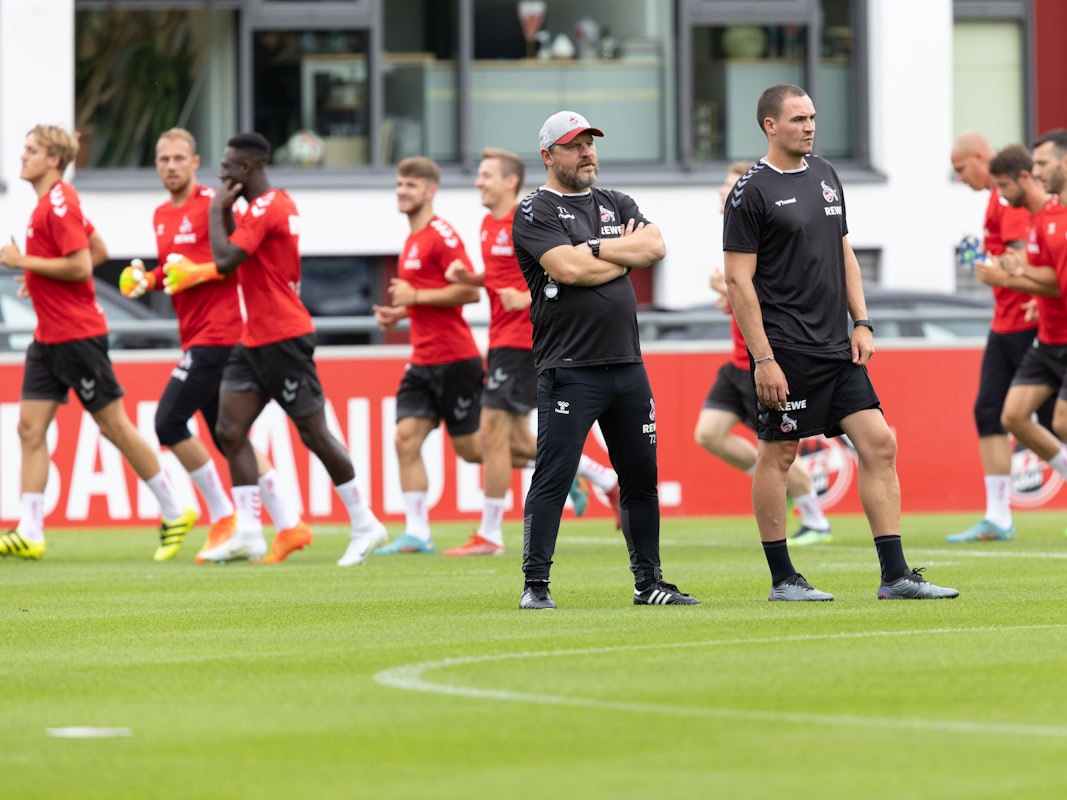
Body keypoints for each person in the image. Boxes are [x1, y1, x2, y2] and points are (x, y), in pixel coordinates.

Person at [722, 84, 958, 601]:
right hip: (785, 350)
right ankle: (783, 578)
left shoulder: (827, 174)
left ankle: (895, 577)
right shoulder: (750, 192)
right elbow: (738, 282)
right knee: (779, 454)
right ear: (770, 125)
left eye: (812, 117)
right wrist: (763, 358)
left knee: (880, 443)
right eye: (798, 119)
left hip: (837, 347)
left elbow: (844, 250)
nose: (809, 126)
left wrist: (863, 320)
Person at [511, 110, 700, 609]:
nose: (588, 152)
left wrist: (594, 247)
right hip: (569, 367)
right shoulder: (535, 209)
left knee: (641, 478)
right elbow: (568, 269)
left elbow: (655, 246)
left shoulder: (616, 201)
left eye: (591, 143)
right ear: (548, 155)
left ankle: (650, 583)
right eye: (575, 145)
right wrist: (619, 256)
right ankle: (536, 585)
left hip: (627, 365)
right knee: (554, 474)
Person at [174, 131, 385, 566]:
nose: (221, 173)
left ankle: (365, 524)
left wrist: (217, 209)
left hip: (284, 339)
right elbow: (241, 255)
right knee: (229, 430)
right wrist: (229, 212)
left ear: (246, 169)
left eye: (227, 166)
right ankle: (250, 533)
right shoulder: (263, 208)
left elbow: (225, 261)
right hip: (253, 341)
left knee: (315, 434)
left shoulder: (272, 206)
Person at [0, 124, 195, 561]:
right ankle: (30, 531)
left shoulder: (59, 203)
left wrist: (24, 263)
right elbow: (100, 249)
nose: (22, 156)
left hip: (78, 337)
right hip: (48, 338)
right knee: (29, 428)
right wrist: (38, 278)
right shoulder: (49, 206)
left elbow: (83, 266)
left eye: (31, 150)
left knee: (114, 427)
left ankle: (173, 507)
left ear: (53, 160)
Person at [118, 127, 308, 563]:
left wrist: (199, 272)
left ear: (195, 161)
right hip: (195, 331)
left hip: (222, 333)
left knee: (168, 422)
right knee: (229, 437)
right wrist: (145, 280)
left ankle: (224, 515)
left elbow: (239, 258)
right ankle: (289, 523)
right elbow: (172, 269)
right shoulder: (161, 215)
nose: (171, 166)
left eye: (179, 158)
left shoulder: (214, 203)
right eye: (163, 159)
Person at [443, 147, 620, 556]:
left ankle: (489, 534)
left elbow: (561, 266)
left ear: (509, 181)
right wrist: (470, 277)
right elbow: (507, 270)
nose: (477, 182)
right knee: (511, 441)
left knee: (490, 434)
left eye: (485, 174)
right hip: (501, 341)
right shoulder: (489, 225)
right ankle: (603, 480)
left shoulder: (527, 218)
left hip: (524, 340)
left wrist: (527, 298)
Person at [695, 160, 832, 546]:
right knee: (708, 434)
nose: (724, 190)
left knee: (779, 450)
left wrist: (724, 288)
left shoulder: (764, 226)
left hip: (766, 360)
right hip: (739, 363)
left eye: (730, 183)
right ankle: (775, 485)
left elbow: (763, 288)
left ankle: (816, 519)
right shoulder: (731, 229)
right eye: (723, 183)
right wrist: (726, 293)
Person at [371, 156, 496, 556]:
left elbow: (471, 292)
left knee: (474, 450)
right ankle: (418, 532)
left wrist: (416, 297)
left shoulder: (442, 235)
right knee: (405, 439)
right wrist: (401, 312)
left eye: (410, 185)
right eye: (399, 184)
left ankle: (580, 472)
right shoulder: (412, 239)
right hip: (422, 360)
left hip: (455, 359)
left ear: (430, 190)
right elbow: (424, 299)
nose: (402, 191)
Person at [946, 132, 1040, 543]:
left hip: (1028, 322)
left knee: (1055, 416)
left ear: (982, 158)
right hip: (1003, 322)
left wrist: (992, 267)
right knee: (988, 412)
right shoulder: (995, 198)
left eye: (961, 168)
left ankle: (999, 515)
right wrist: (984, 262)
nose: (960, 177)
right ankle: (998, 516)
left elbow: (1022, 262)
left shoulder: (1008, 199)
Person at [976, 141, 1067, 525]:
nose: (1039, 169)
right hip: (1048, 338)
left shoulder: (1055, 217)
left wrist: (1009, 276)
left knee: (1060, 422)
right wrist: (1019, 272)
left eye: (1044, 162)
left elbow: (1057, 284)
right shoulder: (1045, 214)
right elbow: (1042, 271)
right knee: (1011, 416)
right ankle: (998, 516)